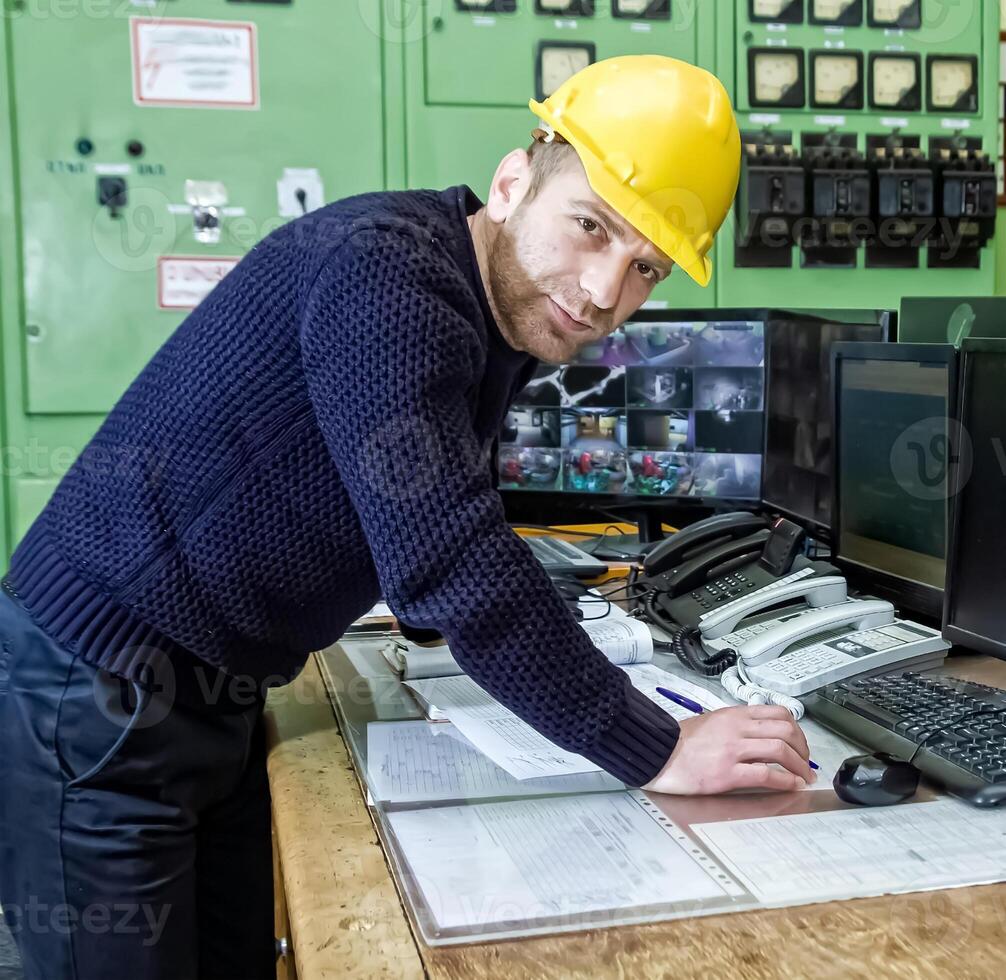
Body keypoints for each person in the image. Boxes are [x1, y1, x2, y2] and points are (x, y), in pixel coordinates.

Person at [0, 55, 813, 979]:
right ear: (512, 183)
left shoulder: (485, 312)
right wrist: (654, 745)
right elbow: (451, 560)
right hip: (95, 692)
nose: (602, 293)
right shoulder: (389, 277)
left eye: (644, 268)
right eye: (590, 227)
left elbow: (419, 522)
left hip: (208, 690)